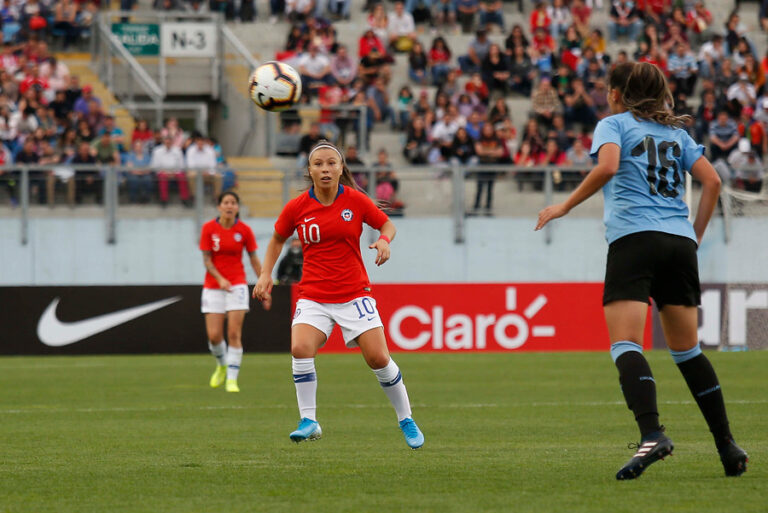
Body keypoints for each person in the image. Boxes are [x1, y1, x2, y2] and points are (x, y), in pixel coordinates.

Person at [536, 62, 748, 480]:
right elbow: (713, 183)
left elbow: (608, 166)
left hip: (634, 240)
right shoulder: (678, 134)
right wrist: (693, 237)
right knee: (687, 350)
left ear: (617, 93)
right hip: (679, 243)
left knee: (626, 345)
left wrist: (563, 205)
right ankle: (727, 445)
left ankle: (652, 434)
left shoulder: (613, 125)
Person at [252, 140, 424, 449]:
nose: (325, 168)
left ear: (341, 168)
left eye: (331, 163)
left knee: (378, 358)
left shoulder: (355, 201)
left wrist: (384, 240)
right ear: (310, 170)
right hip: (314, 296)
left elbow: (386, 223)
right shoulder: (297, 207)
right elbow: (277, 239)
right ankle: (309, 420)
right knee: (300, 348)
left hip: (354, 294)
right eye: (318, 164)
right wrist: (265, 274)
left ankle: (406, 418)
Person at [200, 191, 269, 393]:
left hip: (237, 284)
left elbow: (254, 259)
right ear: (219, 206)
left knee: (233, 333)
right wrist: (220, 279)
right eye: (226, 202)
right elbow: (207, 259)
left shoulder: (244, 230)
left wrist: (263, 285)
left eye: (233, 203)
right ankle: (221, 364)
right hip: (213, 286)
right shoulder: (208, 229)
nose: (229, 206)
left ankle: (232, 378)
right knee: (214, 336)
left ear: (237, 207)